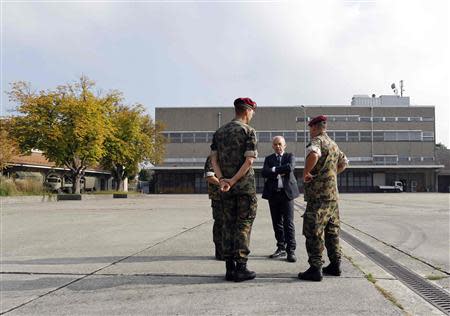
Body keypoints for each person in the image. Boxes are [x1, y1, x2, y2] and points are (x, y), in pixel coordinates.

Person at [210, 97, 258, 282]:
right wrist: (233, 180)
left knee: (227, 225)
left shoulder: (219, 132)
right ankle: (241, 268)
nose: (252, 115)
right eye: (252, 111)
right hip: (244, 188)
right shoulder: (248, 131)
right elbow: (249, 161)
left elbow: (214, 160)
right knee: (243, 225)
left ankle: (229, 269)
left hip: (225, 189)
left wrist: (223, 180)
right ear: (247, 111)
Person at [298, 115, 349, 282]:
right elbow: (344, 163)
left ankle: (315, 268)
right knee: (332, 231)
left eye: (310, 129)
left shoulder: (318, 141)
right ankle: (335, 265)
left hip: (318, 196)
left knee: (313, 230)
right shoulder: (334, 145)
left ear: (314, 128)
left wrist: (307, 173)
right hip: (333, 196)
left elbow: (313, 154)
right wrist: (331, 174)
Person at [262, 136, 300, 262]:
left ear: (284, 145)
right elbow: (264, 172)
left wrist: (274, 170)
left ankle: (291, 251)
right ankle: (281, 248)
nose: (277, 146)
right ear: (272, 146)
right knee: (276, 223)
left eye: (280, 144)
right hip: (273, 194)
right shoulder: (269, 159)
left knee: (288, 223)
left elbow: (290, 168)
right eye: (275, 144)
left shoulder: (290, 156)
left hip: (286, 194)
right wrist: (279, 170)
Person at [204, 156, 223, 261]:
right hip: (218, 197)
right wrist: (223, 183)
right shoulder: (212, 158)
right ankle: (220, 252)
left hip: (233, 196)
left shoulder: (232, 156)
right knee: (220, 223)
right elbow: (209, 176)